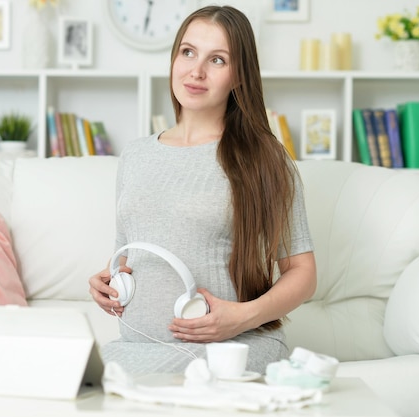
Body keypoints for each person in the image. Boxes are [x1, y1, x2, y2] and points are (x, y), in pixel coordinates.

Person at [89, 5, 316, 375]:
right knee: (79, 379)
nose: (196, 71)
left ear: (239, 76)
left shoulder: (263, 159)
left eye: (218, 60)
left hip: (230, 349)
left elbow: (303, 273)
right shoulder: (136, 155)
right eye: (188, 52)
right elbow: (128, 255)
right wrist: (107, 281)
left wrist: (242, 317)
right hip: (137, 347)